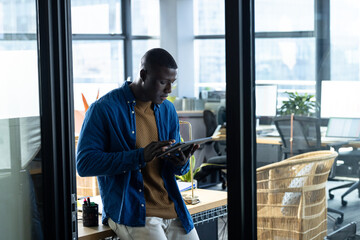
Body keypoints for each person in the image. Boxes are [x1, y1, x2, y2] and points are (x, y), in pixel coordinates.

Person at [76, 48, 200, 240]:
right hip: (133, 213)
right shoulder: (103, 109)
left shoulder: (167, 109)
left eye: (171, 83)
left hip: (172, 207)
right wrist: (139, 156)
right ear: (143, 75)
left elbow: (176, 170)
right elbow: (84, 164)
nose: (168, 90)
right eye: (162, 82)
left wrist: (180, 161)